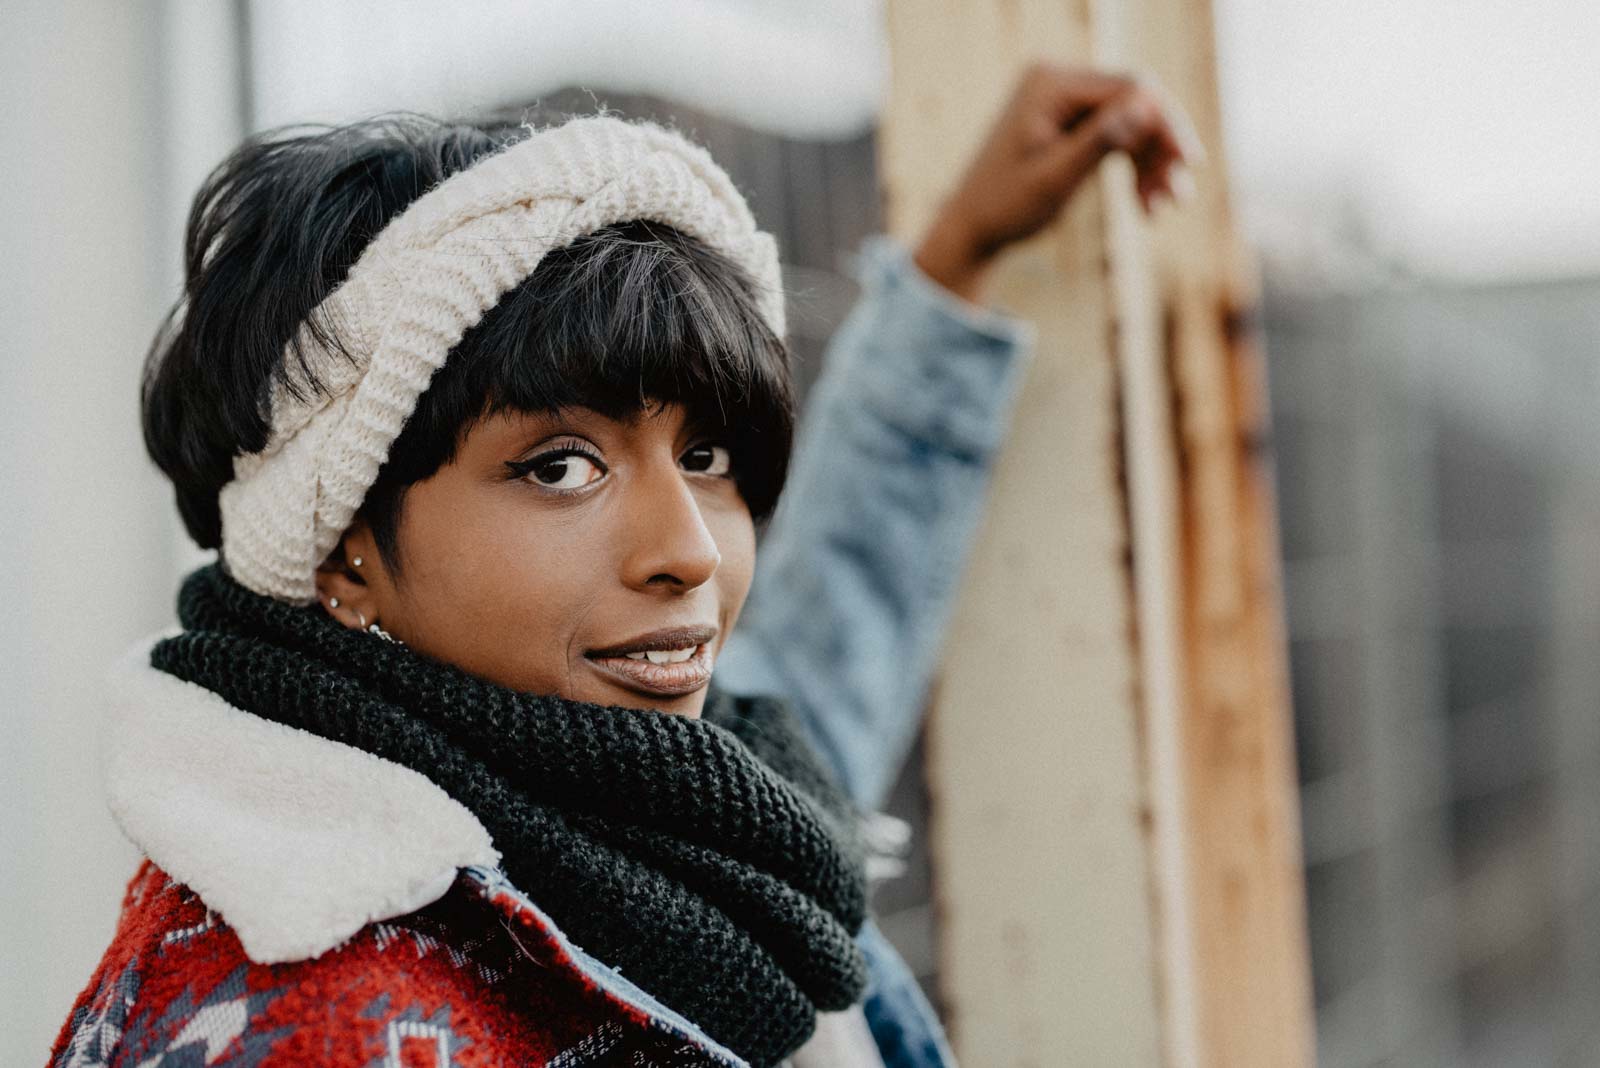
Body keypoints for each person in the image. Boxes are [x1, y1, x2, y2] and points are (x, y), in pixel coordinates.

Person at [48, 64, 1197, 1068]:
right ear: (340, 549)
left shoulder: (684, 810)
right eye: (559, 468)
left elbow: (828, 638)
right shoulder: (313, 1021)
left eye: (707, 454)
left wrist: (956, 265)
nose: (689, 549)